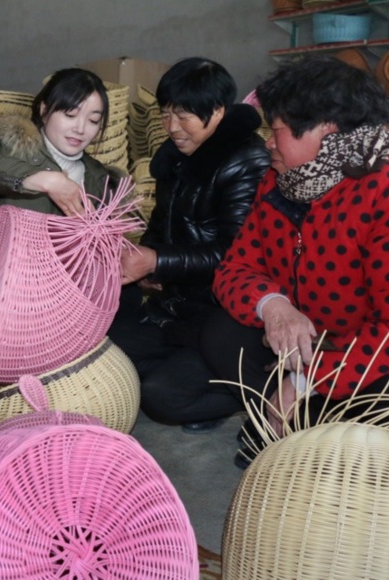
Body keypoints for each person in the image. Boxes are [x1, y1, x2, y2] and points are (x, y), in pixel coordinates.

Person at [201, 56, 389, 468]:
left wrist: (309, 379)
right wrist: (273, 305)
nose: (268, 143)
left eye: (276, 131)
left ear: (326, 131)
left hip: (382, 355)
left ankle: (298, 421)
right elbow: (234, 269)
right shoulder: (280, 180)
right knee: (221, 337)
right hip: (311, 340)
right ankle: (296, 421)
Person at [109, 57, 270, 432]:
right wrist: (148, 257)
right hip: (177, 307)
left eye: (183, 116)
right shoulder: (176, 159)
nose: (172, 128)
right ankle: (189, 369)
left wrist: (157, 261)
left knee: (161, 398)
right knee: (105, 354)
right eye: (165, 115)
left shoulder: (248, 161)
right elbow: (161, 224)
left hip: (221, 316)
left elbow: (233, 254)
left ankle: (247, 390)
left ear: (217, 111)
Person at [0, 67, 123, 246]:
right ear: (44, 111)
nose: (80, 129)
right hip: (2, 272)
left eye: (93, 121)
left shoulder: (98, 179)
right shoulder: (13, 149)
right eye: (70, 115)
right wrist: (43, 180)